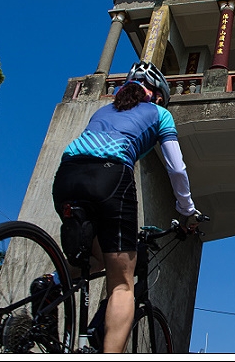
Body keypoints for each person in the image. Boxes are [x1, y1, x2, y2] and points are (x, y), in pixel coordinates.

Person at [52, 60, 199, 353]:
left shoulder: (102, 110)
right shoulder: (160, 113)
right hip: (110, 177)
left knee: (96, 258)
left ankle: (49, 283)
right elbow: (177, 168)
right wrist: (188, 210)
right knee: (121, 285)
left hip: (66, 175)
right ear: (158, 95)